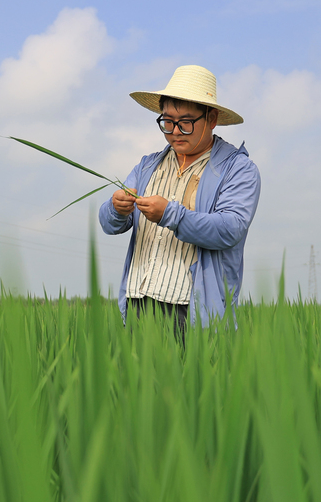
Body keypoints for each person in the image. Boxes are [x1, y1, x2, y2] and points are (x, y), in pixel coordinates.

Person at [98, 65, 261, 336]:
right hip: (139, 303)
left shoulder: (238, 169)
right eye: (167, 121)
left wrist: (170, 215)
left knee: (194, 379)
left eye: (186, 122)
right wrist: (116, 208)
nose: (174, 131)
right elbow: (109, 224)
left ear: (212, 119)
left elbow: (231, 228)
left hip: (194, 311)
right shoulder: (148, 165)